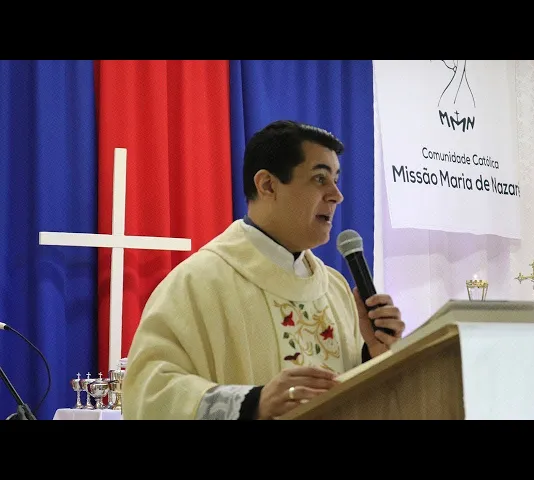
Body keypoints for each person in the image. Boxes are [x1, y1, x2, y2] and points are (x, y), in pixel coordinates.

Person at [121, 120, 405, 420]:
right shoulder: (197, 282)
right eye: (320, 178)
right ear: (267, 185)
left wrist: (371, 355)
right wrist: (252, 403)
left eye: (335, 179)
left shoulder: (335, 289)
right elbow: (148, 393)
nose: (336, 194)